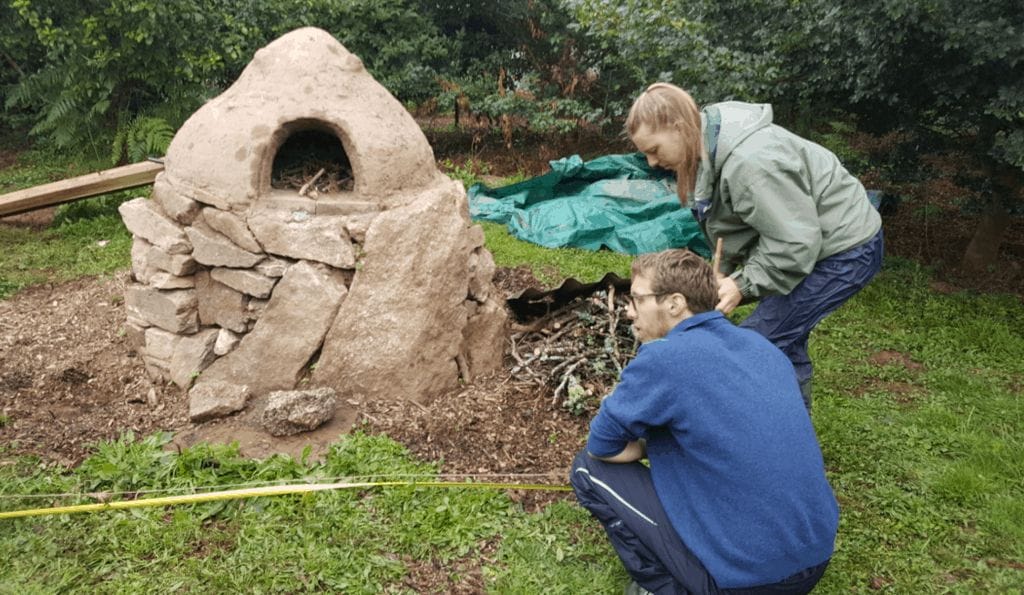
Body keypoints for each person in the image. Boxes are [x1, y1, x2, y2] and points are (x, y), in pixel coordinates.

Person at [570, 249, 839, 594]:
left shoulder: (664, 358)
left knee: (588, 470)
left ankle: (670, 585)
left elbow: (602, 444)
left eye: (637, 300)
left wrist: (649, 445)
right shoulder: (761, 345)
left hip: (750, 582)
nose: (628, 310)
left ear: (674, 303)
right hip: (815, 556)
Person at [626, 82, 883, 409]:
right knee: (785, 337)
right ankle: (791, 433)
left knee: (752, 345)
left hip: (843, 251)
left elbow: (796, 242)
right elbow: (738, 224)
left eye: (654, 149)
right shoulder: (709, 141)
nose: (650, 162)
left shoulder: (751, 163)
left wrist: (742, 284)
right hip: (809, 244)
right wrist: (724, 276)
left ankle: (751, 431)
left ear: (679, 128)